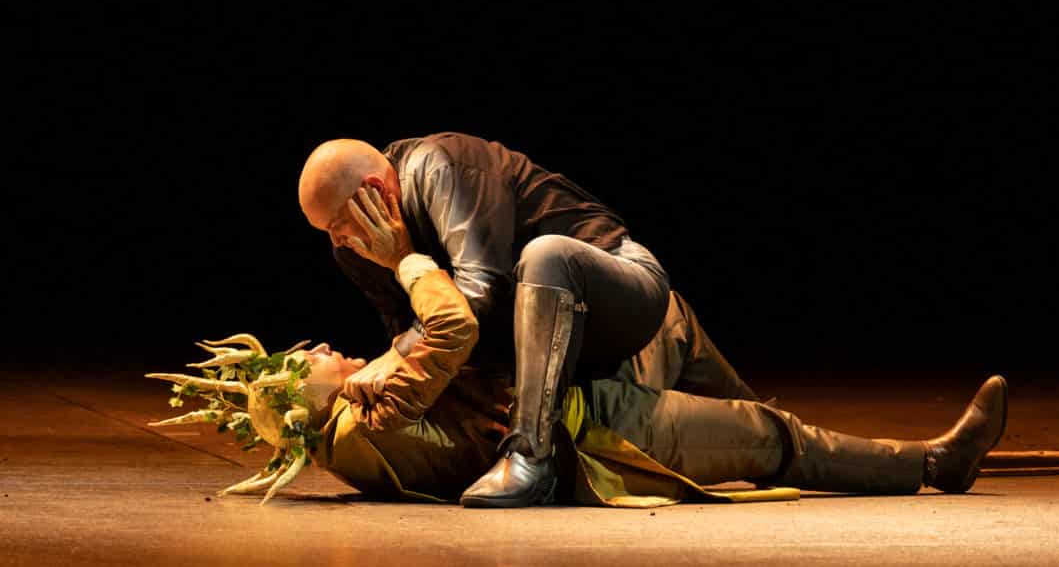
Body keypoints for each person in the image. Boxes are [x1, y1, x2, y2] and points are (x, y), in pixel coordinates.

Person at [147, 257, 1009, 506]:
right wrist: (406, 259)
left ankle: (813, 452)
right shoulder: (368, 418)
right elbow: (452, 324)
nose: (325, 350)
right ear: (310, 402)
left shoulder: (361, 412)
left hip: (585, 395)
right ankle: (936, 465)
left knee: (671, 319)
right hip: (595, 437)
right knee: (766, 440)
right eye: (309, 361)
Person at [297, 131, 676, 506]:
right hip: (559, 359)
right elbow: (409, 325)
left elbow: (485, 289)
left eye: (337, 224)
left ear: (375, 190)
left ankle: (530, 457)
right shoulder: (351, 249)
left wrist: (402, 280)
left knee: (546, 256)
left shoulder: (438, 167)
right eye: (326, 231)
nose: (337, 241)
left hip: (616, 297)